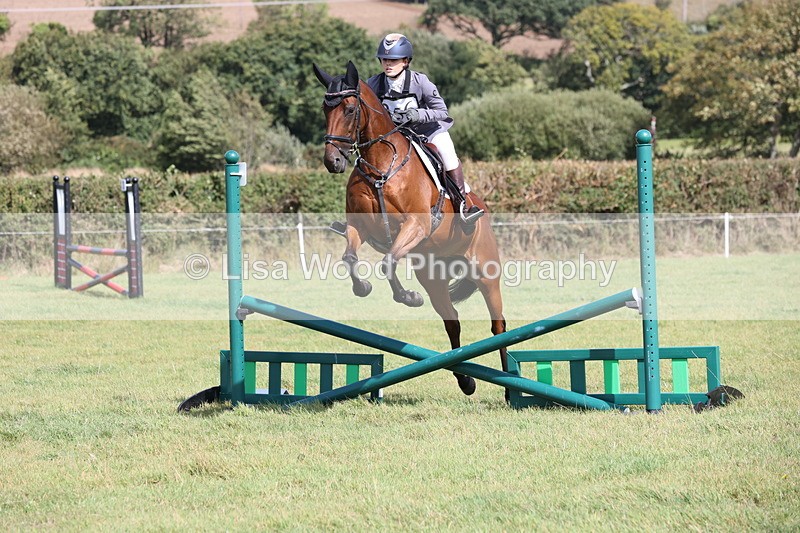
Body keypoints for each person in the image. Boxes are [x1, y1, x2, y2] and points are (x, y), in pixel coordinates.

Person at [367, 33, 484, 226]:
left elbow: (441, 111)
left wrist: (417, 114)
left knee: (448, 155)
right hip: (397, 138)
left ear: (405, 61)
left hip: (428, 133)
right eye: (385, 59)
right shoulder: (374, 84)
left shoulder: (420, 82)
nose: (388, 64)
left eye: (393, 60)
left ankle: (462, 206)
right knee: (364, 161)